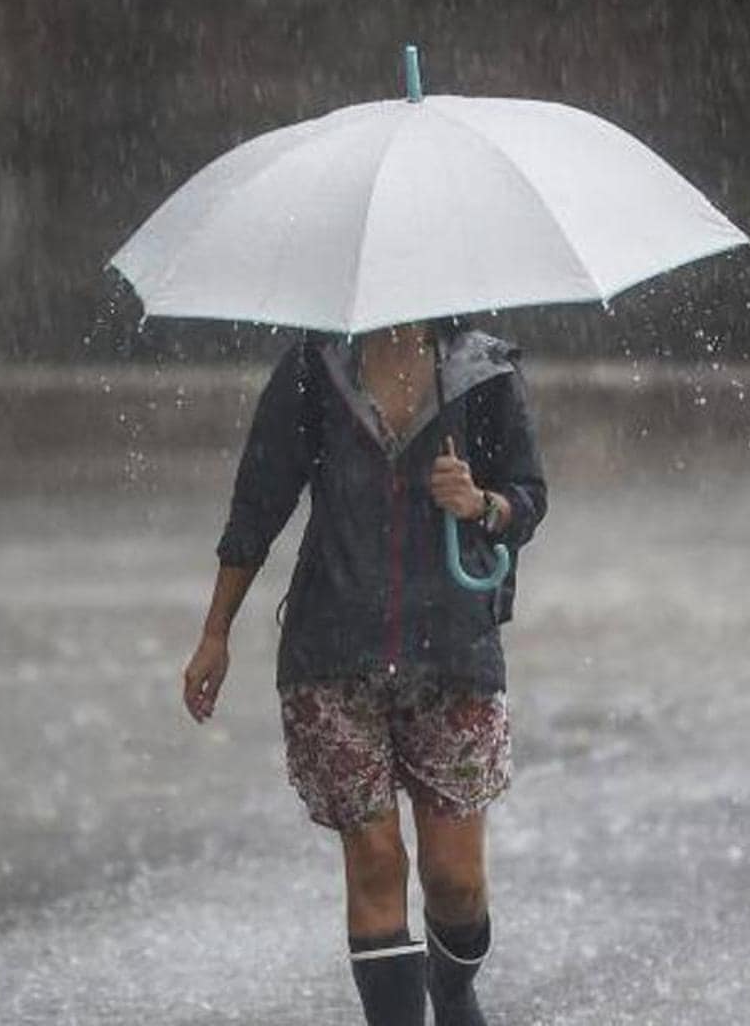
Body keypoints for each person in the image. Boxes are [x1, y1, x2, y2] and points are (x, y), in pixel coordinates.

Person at [180, 317, 547, 1025]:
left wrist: (482, 504)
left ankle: (452, 984)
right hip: (332, 650)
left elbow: (527, 494)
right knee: (375, 861)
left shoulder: (484, 373)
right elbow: (259, 502)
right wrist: (215, 632)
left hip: (453, 652)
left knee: (456, 881)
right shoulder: (314, 370)